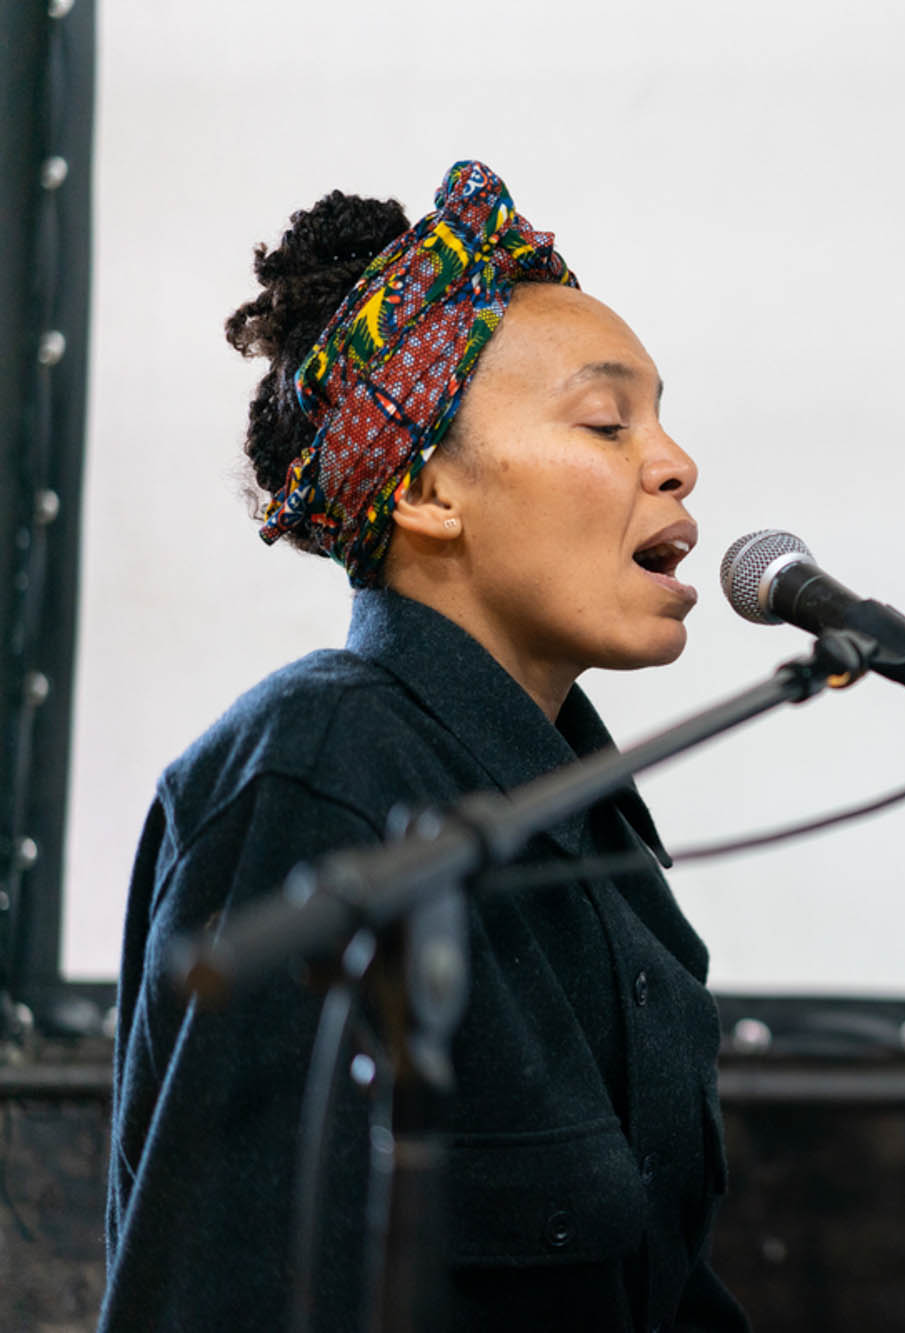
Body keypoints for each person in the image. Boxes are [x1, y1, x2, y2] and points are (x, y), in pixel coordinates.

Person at [101, 161, 749, 1333]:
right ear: (428, 492)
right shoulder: (322, 768)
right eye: (606, 421)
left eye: (658, 418)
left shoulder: (595, 828)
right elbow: (221, 1294)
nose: (673, 462)